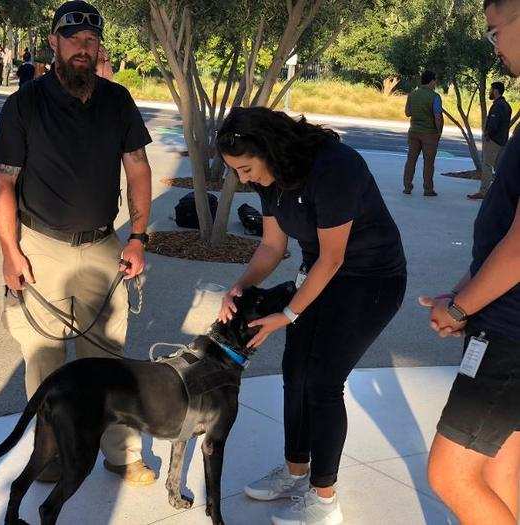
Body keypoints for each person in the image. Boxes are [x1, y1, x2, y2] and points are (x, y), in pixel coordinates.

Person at [0, 0, 154, 486]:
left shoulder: (117, 101)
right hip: (39, 246)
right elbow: (3, 184)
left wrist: (138, 237)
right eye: (73, 38)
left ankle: (122, 454)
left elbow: (139, 168)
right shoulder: (25, 103)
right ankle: (53, 453)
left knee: (108, 358)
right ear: (55, 43)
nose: (83, 48)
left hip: (104, 244)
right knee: (44, 361)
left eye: (91, 40)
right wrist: (9, 252)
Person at [216, 107, 407, 525]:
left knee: (322, 381)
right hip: (318, 272)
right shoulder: (270, 177)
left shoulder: (334, 166)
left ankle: (323, 499)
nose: (244, 179)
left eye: (246, 168)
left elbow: (334, 258)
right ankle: (295, 469)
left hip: (369, 279)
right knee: (295, 372)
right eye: (237, 172)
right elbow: (271, 246)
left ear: (269, 149)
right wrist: (240, 285)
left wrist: (287, 312)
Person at [422, 1, 520, 523]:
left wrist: (461, 309)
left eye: (493, 31)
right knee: (502, 466)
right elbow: (505, 234)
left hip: (512, 332)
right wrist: (463, 293)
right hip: (505, 318)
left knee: (451, 474)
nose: (495, 46)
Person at [468, 81, 513, 200]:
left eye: (491, 90)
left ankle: (483, 192)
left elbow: (493, 125)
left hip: (494, 141)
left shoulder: (497, 106)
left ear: (496, 91)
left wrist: (488, 134)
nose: (490, 92)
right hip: (502, 141)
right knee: (499, 168)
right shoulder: (506, 105)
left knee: (487, 166)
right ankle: (503, 193)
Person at [403, 70, 444, 196]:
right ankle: (428, 189)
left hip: (414, 131)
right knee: (428, 163)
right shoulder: (435, 97)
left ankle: (407, 186)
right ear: (431, 81)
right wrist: (439, 132)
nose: (435, 83)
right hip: (429, 133)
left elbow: (407, 113)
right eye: (435, 81)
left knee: (411, 160)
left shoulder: (412, 95)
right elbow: (438, 116)